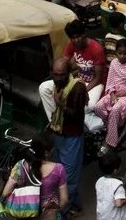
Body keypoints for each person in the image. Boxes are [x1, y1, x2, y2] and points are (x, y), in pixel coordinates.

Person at [45, 58, 88, 212]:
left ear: (68, 73)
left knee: (68, 177)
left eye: (61, 75)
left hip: (72, 137)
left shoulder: (78, 88)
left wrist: (60, 103)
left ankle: (62, 212)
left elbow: (76, 115)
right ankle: (76, 205)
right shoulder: (58, 84)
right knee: (58, 174)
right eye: (55, 74)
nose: (57, 78)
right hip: (59, 134)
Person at [93, 38, 126, 149]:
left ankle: (110, 142)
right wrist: (112, 94)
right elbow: (110, 81)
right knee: (98, 106)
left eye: (125, 53)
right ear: (116, 52)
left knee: (116, 109)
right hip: (114, 92)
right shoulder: (113, 63)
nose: (122, 56)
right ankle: (112, 125)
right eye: (119, 53)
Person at [1, 132, 66, 220]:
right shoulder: (58, 169)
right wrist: (56, 212)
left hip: (25, 215)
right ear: (47, 153)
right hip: (50, 214)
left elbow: (5, 193)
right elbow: (64, 200)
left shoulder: (21, 165)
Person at [95, 150, 126, 220]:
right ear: (115, 170)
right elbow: (118, 204)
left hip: (102, 216)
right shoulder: (117, 185)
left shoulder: (99, 181)